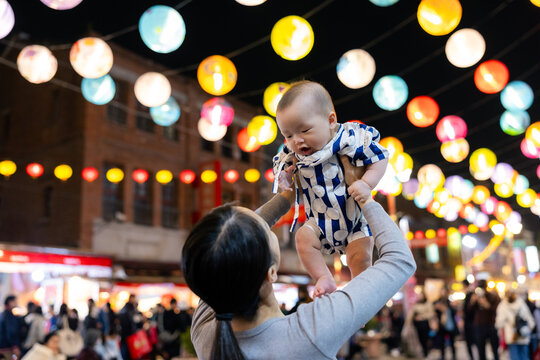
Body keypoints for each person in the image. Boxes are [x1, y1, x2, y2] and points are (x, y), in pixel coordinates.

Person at [181, 155, 416, 360]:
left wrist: (286, 197)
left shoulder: (206, 333)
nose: (263, 223)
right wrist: (364, 197)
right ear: (270, 273)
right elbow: (399, 260)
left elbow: (233, 240)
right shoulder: (311, 331)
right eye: (265, 230)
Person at [273, 81, 389, 297]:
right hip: (319, 221)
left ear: (330, 121)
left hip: (353, 219)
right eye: (288, 135)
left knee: (360, 257)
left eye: (305, 130)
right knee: (302, 239)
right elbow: (284, 176)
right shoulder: (294, 157)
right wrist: (286, 178)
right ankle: (324, 278)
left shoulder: (347, 140)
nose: (297, 141)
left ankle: (362, 295)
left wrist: (366, 183)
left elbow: (380, 157)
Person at [495, 290, 535, 360]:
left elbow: (498, 323)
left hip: (512, 336)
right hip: (523, 334)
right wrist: (528, 330)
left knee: (515, 357)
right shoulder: (521, 303)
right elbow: (531, 321)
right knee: (525, 356)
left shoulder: (503, 306)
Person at [468, 279, 501, 360]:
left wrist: (486, 304)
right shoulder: (475, 297)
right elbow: (469, 311)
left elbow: (497, 309)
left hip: (491, 324)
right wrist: (472, 302)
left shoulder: (492, 296)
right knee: (480, 349)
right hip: (479, 325)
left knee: (495, 348)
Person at [405, 291, 435, 359]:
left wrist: (422, 317)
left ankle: (427, 352)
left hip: (425, 324)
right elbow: (411, 314)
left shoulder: (428, 303)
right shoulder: (416, 304)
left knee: (426, 339)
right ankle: (424, 352)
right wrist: (407, 322)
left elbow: (431, 313)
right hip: (418, 325)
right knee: (420, 339)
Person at [433, 287, 458, 360]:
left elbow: (454, 312)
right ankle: (443, 356)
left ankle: (454, 355)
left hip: (450, 324)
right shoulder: (437, 302)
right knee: (442, 342)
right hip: (441, 325)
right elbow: (434, 312)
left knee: (452, 341)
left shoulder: (449, 301)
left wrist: (446, 309)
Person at [0, 295, 22, 359]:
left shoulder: (3, 314)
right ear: (10, 302)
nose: (16, 303)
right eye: (15, 301)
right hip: (8, 347)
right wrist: (15, 347)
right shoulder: (9, 315)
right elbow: (11, 332)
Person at [462, 279, 477, 360]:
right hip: (468, 322)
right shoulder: (467, 294)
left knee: (473, 342)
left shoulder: (471, 294)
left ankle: (474, 357)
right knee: (469, 342)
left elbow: (470, 309)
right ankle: (471, 357)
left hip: (472, 322)